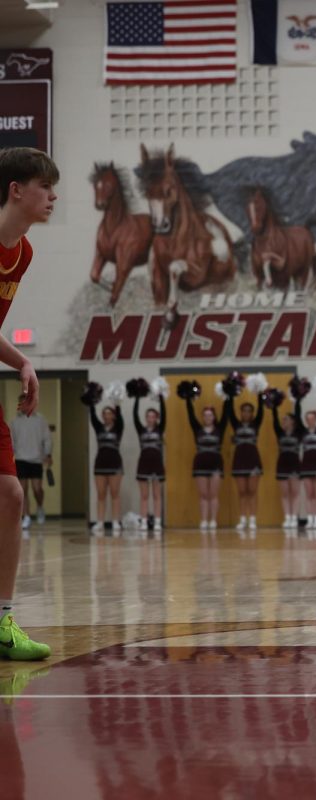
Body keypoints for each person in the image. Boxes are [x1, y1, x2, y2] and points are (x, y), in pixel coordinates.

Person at [0, 145, 58, 660]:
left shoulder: (23, 252)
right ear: (16, 190)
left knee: (11, 494)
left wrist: (22, 362)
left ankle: (2, 623)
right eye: (45, 186)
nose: (53, 196)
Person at [185, 393, 231, 531]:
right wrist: (188, 399)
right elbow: (190, 415)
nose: (207, 417)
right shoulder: (197, 429)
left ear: (214, 417)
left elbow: (226, 413)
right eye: (205, 415)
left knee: (213, 494)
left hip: (216, 463)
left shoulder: (220, 429)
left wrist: (228, 396)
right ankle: (204, 520)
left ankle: (213, 520)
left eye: (210, 415)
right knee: (204, 494)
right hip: (200, 464)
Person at [9, 409, 51, 529]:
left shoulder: (40, 419)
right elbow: (11, 441)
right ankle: (26, 516)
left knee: (37, 489)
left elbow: (47, 438)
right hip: (20, 458)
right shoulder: (14, 421)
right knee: (23, 490)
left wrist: (48, 454)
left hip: (37, 459)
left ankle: (40, 506)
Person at [230, 396, 264, 532]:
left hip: (253, 459)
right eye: (244, 411)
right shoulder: (236, 424)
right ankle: (243, 519)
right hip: (239, 460)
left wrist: (259, 393)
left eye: (249, 411)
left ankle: (253, 519)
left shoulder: (256, 424)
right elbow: (229, 411)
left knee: (252, 491)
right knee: (242, 492)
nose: (246, 413)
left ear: (252, 413)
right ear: (241, 412)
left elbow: (262, 411)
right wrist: (229, 395)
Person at [89, 403, 124, 534]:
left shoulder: (118, 428)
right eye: (104, 413)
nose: (106, 415)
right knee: (101, 494)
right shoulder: (99, 428)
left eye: (109, 413)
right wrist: (91, 401)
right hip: (100, 464)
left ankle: (115, 521)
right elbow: (92, 417)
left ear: (114, 416)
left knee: (115, 493)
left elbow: (120, 418)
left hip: (115, 464)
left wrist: (117, 403)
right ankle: (100, 522)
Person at [133, 393, 165, 533]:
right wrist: (137, 398)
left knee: (157, 495)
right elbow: (134, 415)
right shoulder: (141, 429)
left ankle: (158, 521)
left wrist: (162, 398)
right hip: (144, 464)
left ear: (156, 418)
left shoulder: (160, 429)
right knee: (144, 496)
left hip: (157, 464)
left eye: (153, 416)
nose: (150, 419)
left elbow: (165, 414)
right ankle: (144, 521)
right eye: (148, 416)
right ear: (145, 418)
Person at [272, 398, 302, 530]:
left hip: (295, 464)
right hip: (282, 464)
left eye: (286, 419)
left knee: (294, 492)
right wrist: (274, 405)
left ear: (293, 422)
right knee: (284, 493)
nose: (283, 421)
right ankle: (287, 518)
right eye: (283, 419)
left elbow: (299, 413)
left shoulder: (298, 433)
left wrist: (298, 399)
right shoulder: (279, 433)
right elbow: (274, 419)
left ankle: (294, 517)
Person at [299, 399, 316, 530]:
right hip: (306, 464)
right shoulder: (302, 431)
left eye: (312, 418)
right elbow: (297, 413)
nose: (310, 421)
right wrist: (298, 400)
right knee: (308, 493)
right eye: (307, 419)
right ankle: (310, 519)